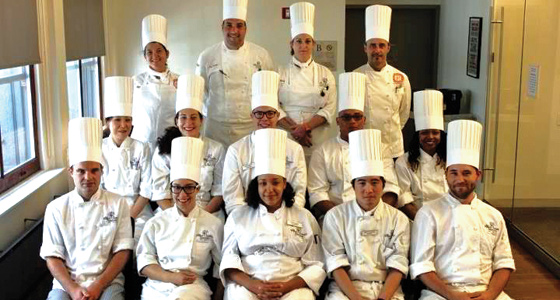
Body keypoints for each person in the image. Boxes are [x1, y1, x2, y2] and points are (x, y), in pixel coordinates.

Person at [410, 120, 515, 300]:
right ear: (446, 175)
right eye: (454, 173)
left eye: (466, 173)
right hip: (440, 294)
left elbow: (504, 263)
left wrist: (489, 296)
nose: (460, 179)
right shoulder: (428, 213)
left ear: (478, 175)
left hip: (487, 292)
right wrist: (452, 295)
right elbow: (422, 267)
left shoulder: (493, 215)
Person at [220, 128, 325, 300]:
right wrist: (254, 286)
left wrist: (285, 287)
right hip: (248, 286)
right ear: (257, 185)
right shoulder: (238, 216)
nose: (269, 190)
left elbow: (317, 263)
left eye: (275, 182)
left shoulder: (304, 216)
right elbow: (229, 260)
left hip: (292, 286)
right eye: (263, 183)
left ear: (284, 183)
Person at [41, 118, 133, 300]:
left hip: (108, 281)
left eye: (94, 170)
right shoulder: (56, 208)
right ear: (71, 172)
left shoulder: (118, 203)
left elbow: (123, 251)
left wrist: (98, 285)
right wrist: (73, 289)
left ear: (101, 170)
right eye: (81, 171)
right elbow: (52, 257)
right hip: (66, 284)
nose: (88, 177)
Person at [322, 129, 410, 300]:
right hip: (345, 291)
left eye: (375, 182)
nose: (368, 190)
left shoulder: (398, 219)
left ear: (383, 185)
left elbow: (398, 265)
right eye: (362, 183)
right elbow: (336, 264)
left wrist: (383, 298)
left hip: (387, 290)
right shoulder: (335, 216)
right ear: (353, 186)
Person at [137, 137, 224, 300]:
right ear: (171, 189)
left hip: (193, 288)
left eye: (189, 187)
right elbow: (144, 263)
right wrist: (170, 278)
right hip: (156, 287)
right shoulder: (156, 222)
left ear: (198, 189)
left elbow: (222, 267)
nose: (182, 195)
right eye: (177, 188)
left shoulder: (213, 224)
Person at [308, 72, 400, 222]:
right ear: (338, 121)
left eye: (357, 117)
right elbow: (317, 192)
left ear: (363, 120)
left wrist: (374, 215)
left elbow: (391, 188)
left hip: (377, 217)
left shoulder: (381, 149)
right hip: (337, 217)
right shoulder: (323, 151)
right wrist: (343, 217)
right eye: (346, 117)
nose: (352, 122)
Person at [222, 70, 307, 215]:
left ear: (278, 116)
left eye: (270, 113)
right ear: (251, 116)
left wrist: (286, 216)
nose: (265, 119)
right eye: (259, 113)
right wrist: (249, 219)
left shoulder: (295, 149)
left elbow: (299, 192)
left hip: (287, 216)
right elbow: (232, 197)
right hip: (247, 216)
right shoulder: (236, 150)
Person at [196, 0, 274, 147]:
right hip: (216, 128)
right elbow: (202, 92)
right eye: (229, 25)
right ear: (222, 27)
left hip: (249, 127)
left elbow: (270, 90)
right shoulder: (207, 56)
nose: (234, 31)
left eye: (239, 25)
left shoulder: (261, 55)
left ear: (246, 28)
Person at [151, 74, 226, 220]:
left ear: (201, 120)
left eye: (193, 117)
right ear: (176, 120)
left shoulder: (216, 149)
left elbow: (219, 191)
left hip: (208, 212)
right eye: (183, 117)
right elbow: (160, 193)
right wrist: (181, 218)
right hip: (171, 213)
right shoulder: (164, 150)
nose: (188, 122)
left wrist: (199, 216)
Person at [277, 2, 337, 164]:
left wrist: (305, 128)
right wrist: (295, 130)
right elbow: (273, 106)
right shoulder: (279, 72)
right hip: (286, 135)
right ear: (292, 44)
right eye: (299, 41)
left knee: (315, 177)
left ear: (313, 44)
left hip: (315, 137)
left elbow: (329, 108)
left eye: (307, 41)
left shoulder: (326, 73)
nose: (303, 46)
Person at [101, 76, 153, 248]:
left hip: (137, 212)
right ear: (107, 122)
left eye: (128, 120)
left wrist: (129, 217)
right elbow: (98, 189)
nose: (123, 125)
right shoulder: (99, 149)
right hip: (106, 209)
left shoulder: (142, 148)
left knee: (139, 244)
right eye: (117, 120)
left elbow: (146, 189)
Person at [354, 5, 411, 160]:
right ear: (365, 48)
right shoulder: (355, 76)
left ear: (388, 48)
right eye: (373, 45)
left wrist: (393, 130)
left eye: (381, 45)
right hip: (364, 144)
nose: (377, 50)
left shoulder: (400, 77)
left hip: (393, 147)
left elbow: (403, 114)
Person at [395, 90, 448, 220]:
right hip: (418, 219)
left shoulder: (450, 159)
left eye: (435, 133)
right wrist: (424, 222)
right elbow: (404, 198)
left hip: (448, 218)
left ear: (441, 135)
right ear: (418, 135)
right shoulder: (403, 162)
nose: (430, 137)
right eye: (425, 133)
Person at [131, 14, 178, 154]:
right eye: (149, 52)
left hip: (170, 142)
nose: (154, 56)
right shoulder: (136, 81)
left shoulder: (179, 81)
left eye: (159, 51)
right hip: (141, 141)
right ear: (144, 56)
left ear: (167, 53)